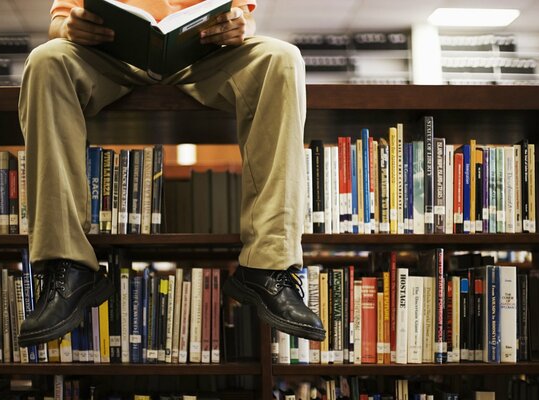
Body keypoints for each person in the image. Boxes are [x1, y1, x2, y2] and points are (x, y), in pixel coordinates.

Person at [17, 0, 325, 347]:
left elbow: (244, 17)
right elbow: (60, 22)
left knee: (282, 59)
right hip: (108, 57)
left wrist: (241, 26)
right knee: (46, 61)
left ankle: (269, 266)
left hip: (205, 58)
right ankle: (68, 266)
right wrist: (70, 28)